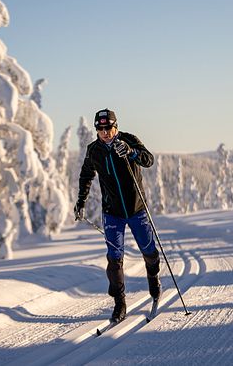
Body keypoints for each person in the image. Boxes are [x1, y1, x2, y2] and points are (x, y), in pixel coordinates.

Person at [74, 108, 161, 323]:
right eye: (100, 128)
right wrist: (81, 202)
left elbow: (148, 160)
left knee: (149, 251)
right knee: (114, 259)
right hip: (112, 213)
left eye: (108, 128)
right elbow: (86, 175)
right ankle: (119, 303)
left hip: (136, 209)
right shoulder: (93, 150)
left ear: (116, 127)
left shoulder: (129, 140)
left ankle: (153, 279)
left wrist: (131, 152)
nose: (104, 132)